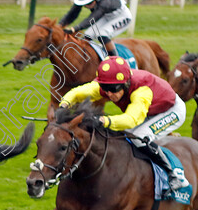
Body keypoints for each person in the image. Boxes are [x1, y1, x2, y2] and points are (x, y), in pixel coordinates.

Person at [59, 56, 189, 192]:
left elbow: (131, 119)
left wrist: (103, 121)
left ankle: (175, 176)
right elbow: (77, 93)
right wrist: (63, 106)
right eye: (105, 88)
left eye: (114, 88)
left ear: (126, 83)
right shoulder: (111, 83)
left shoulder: (141, 90)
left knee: (139, 137)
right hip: (148, 109)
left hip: (171, 110)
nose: (109, 94)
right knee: (122, 137)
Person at [59, 0, 132, 58]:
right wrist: (59, 26)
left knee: (102, 34)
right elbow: (72, 14)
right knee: (87, 35)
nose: (87, 6)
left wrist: (74, 29)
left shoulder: (106, 1)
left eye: (89, 3)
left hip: (122, 17)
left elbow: (92, 19)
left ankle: (115, 60)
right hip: (106, 16)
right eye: (84, 4)